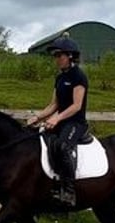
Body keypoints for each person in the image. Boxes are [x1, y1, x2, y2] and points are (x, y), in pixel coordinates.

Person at [27, 36, 89, 207]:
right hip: (62, 121)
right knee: (41, 141)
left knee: (62, 146)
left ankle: (69, 191)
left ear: (69, 56)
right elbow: (54, 104)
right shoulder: (60, 78)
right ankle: (51, 184)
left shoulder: (79, 76)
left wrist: (57, 118)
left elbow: (76, 106)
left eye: (59, 56)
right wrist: (38, 117)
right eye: (55, 56)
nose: (56, 59)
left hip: (76, 123)